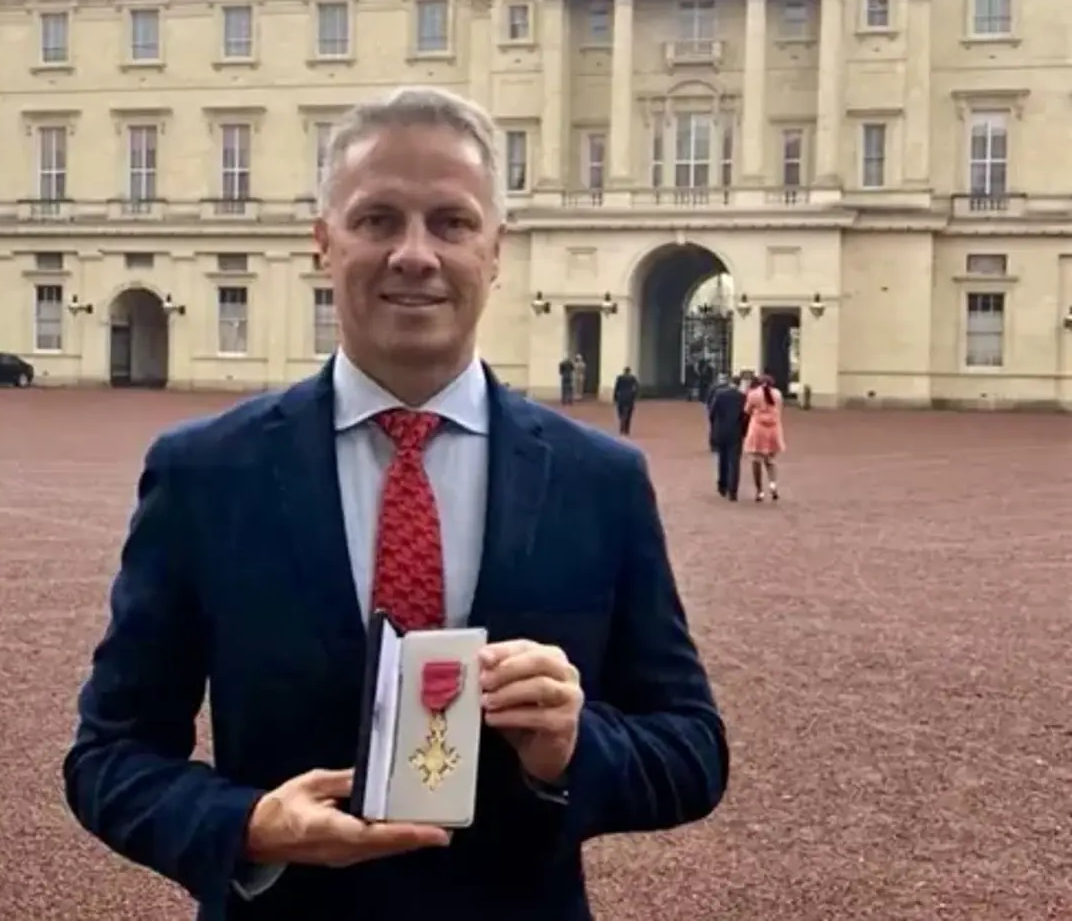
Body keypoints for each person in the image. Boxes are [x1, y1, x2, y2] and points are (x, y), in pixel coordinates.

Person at [62, 86, 729, 921]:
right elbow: (109, 754)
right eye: (378, 219)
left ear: (495, 252)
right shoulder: (206, 472)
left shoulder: (600, 480)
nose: (415, 253)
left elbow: (693, 749)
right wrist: (248, 826)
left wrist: (571, 746)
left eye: (450, 222)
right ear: (322, 243)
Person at [744, 372, 786, 502]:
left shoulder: (754, 394)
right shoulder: (778, 394)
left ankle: (759, 490)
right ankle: (773, 484)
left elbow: (747, 410)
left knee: (756, 460)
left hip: (758, 429)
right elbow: (779, 410)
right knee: (770, 460)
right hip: (773, 429)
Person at [707, 373, 747, 501]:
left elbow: (712, 412)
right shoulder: (742, 397)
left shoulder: (719, 394)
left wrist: (714, 426)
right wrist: (743, 430)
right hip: (735, 431)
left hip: (721, 430)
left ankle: (722, 485)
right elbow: (745, 416)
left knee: (722, 459)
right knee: (734, 462)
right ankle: (733, 491)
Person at [611, 365, 640, 436]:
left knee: (620, 413)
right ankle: (627, 429)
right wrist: (635, 396)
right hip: (630, 398)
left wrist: (615, 397)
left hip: (621, 397)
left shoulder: (620, 378)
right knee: (629, 414)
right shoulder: (632, 378)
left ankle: (622, 427)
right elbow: (637, 387)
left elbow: (616, 388)